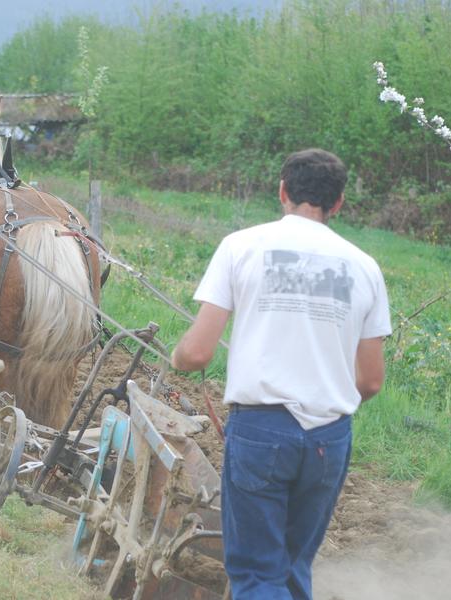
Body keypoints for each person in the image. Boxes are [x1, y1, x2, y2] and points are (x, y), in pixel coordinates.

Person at [171, 148, 391, 600]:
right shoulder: (365, 267)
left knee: (256, 575)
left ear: (283, 191)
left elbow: (196, 354)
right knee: (292, 569)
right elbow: (370, 382)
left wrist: (178, 357)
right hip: (329, 437)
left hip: (261, 430)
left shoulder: (241, 246)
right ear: (339, 203)